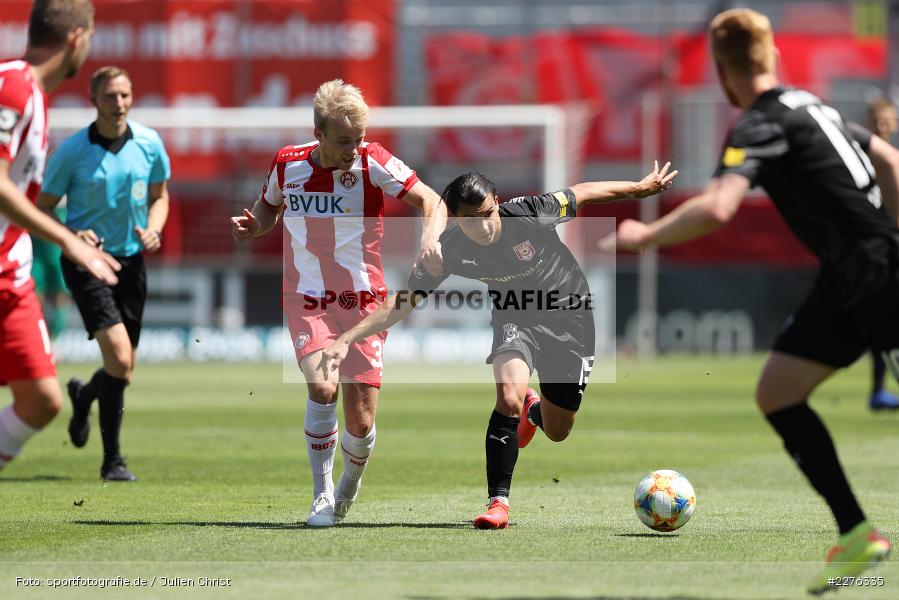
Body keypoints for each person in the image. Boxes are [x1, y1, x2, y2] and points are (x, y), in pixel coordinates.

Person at [603, 9, 896, 594]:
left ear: (721, 71)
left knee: (780, 395)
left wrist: (644, 236)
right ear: (773, 57)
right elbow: (890, 159)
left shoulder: (759, 123)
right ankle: (856, 534)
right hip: (855, 276)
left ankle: (856, 531)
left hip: (873, 274)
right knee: (778, 392)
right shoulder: (813, 104)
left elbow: (717, 207)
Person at [320, 164, 677, 529]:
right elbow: (405, 301)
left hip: (570, 319)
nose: (484, 225)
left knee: (558, 430)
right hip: (515, 319)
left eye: (488, 213)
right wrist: (348, 337)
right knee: (508, 396)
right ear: (456, 219)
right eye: (471, 219)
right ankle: (498, 504)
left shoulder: (530, 213)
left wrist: (638, 187)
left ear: (497, 203)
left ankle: (534, 411)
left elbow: (581, 192)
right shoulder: (449, 250)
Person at [230, 79, 446, 527]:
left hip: (363, 301)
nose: (354, 148)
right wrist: (256, 227)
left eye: (360, 138)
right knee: (323, 386)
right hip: (307, 297)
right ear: (319, 133)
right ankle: (321, 495)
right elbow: (269, 207)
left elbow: (430, 198)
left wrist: (429, 239)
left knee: (361, 424)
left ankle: (350, 481)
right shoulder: (287, 163)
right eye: (345, 140)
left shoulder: (374, 162)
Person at [1, 0, 120, 475]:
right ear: (76, 37)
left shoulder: (33, 95)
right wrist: (67, 241)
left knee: (42, 400)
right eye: (89, 38)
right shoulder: (13, 86)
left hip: (11, 273)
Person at [38, 65, 171, 482]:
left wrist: (154, 229)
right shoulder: (72, 151)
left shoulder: (149, 143)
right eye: (111, 96)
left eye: (126, 95)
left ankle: (84, 395)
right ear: (94, 100)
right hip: (86, 263)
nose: (120, 104)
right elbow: (41, 210)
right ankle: (112, 461)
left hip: (131, 263)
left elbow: (160, 197)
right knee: (119, 356)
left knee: (123, 367)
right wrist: (75, 235)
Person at [860, 97, 899, 410]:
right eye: (878, 120)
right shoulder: (858, 160)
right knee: (884, 325)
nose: (883, 125)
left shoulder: (893, 159)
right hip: (875, 254)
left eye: (888, 120)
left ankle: (878, 391)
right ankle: (878, 391)